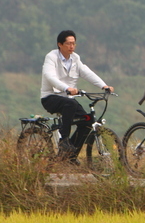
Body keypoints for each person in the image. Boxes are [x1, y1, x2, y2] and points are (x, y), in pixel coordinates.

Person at [40, 30, 113, 160]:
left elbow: (86, 72)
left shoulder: (75, 58)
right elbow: (49, 76)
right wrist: (66, 88)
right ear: (60, 45)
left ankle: (69, 157)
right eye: (68, 44)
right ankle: (64, 140)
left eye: (73, 43)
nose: (71, 46)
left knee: (87, 120)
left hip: (68, 100)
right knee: (71, 103)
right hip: (50, 97)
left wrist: (104, 86)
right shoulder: (51, 57)